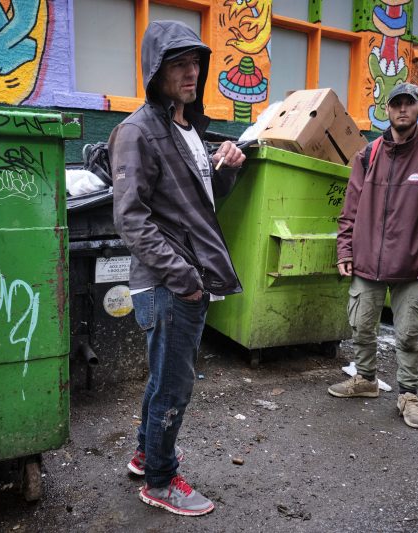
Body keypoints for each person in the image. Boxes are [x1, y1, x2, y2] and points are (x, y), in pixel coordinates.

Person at [109, 20, 245, 516]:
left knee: (163, 378)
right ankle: (161, 481)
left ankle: (148, 456)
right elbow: (131, 218)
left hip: (188, 279)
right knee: (174, 384)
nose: (191, 73)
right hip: (169, 285)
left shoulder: (185, 129)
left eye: (195, 63)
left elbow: (202, 206)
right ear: (156, 71)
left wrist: (227, 168)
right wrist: (184, 279)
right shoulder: (137, 131)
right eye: (178, 64)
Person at [330, 82, 418, 429]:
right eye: (396, 104)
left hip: (412, 266)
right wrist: (345, 249)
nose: (402, 109)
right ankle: (366, 380)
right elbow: (350, 210)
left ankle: (408, 394)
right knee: (360, 325)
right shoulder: (369, 154)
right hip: (366, 262)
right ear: (386, 110)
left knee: (407, 334)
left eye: (409, 103)